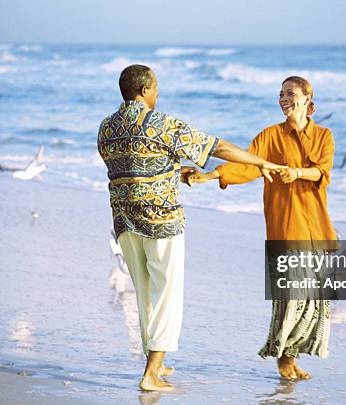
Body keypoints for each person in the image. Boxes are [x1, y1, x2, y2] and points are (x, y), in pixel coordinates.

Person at [97, 64, 284, 392]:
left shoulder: (107, 127)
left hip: (124, 219)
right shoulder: (161, 123)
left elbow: (130, 164)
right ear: (144, 91)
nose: (157, 95)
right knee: (167, 291)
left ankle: (155, 360)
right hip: (161, 218)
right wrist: (260, 162)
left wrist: (172, 172)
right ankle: (151, 373)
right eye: (155, 89)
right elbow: (217, 148)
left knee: (144, 292)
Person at [187, 76, 336, 380]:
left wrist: (296, 172)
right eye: (280, 94)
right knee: (290, 296)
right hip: (285, 223)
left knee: (313, 299)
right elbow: (247, 165)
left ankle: (292, 357)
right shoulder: (269, 136)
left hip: (317, 225)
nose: (283, 98)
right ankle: (282, 359)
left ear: (308, 100)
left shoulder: (324, 135)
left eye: (290, 94)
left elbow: (321, 171)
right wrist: (213, 174)